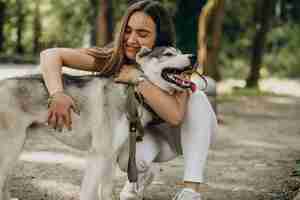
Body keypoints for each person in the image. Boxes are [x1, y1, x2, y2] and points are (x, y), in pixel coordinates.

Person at [40, 0, 217, 200]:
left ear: (159, 39)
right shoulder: (114, 58)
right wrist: (57, 94)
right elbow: (50, 55)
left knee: (198, 98)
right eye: (128, 30)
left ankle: (190, 190)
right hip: (141, 137)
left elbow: (175, 117)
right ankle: (137, 181)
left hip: (176, 138)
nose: (131, 39)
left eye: (142, 34)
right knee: (132, 156)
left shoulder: (173, 66)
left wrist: (138, 79)